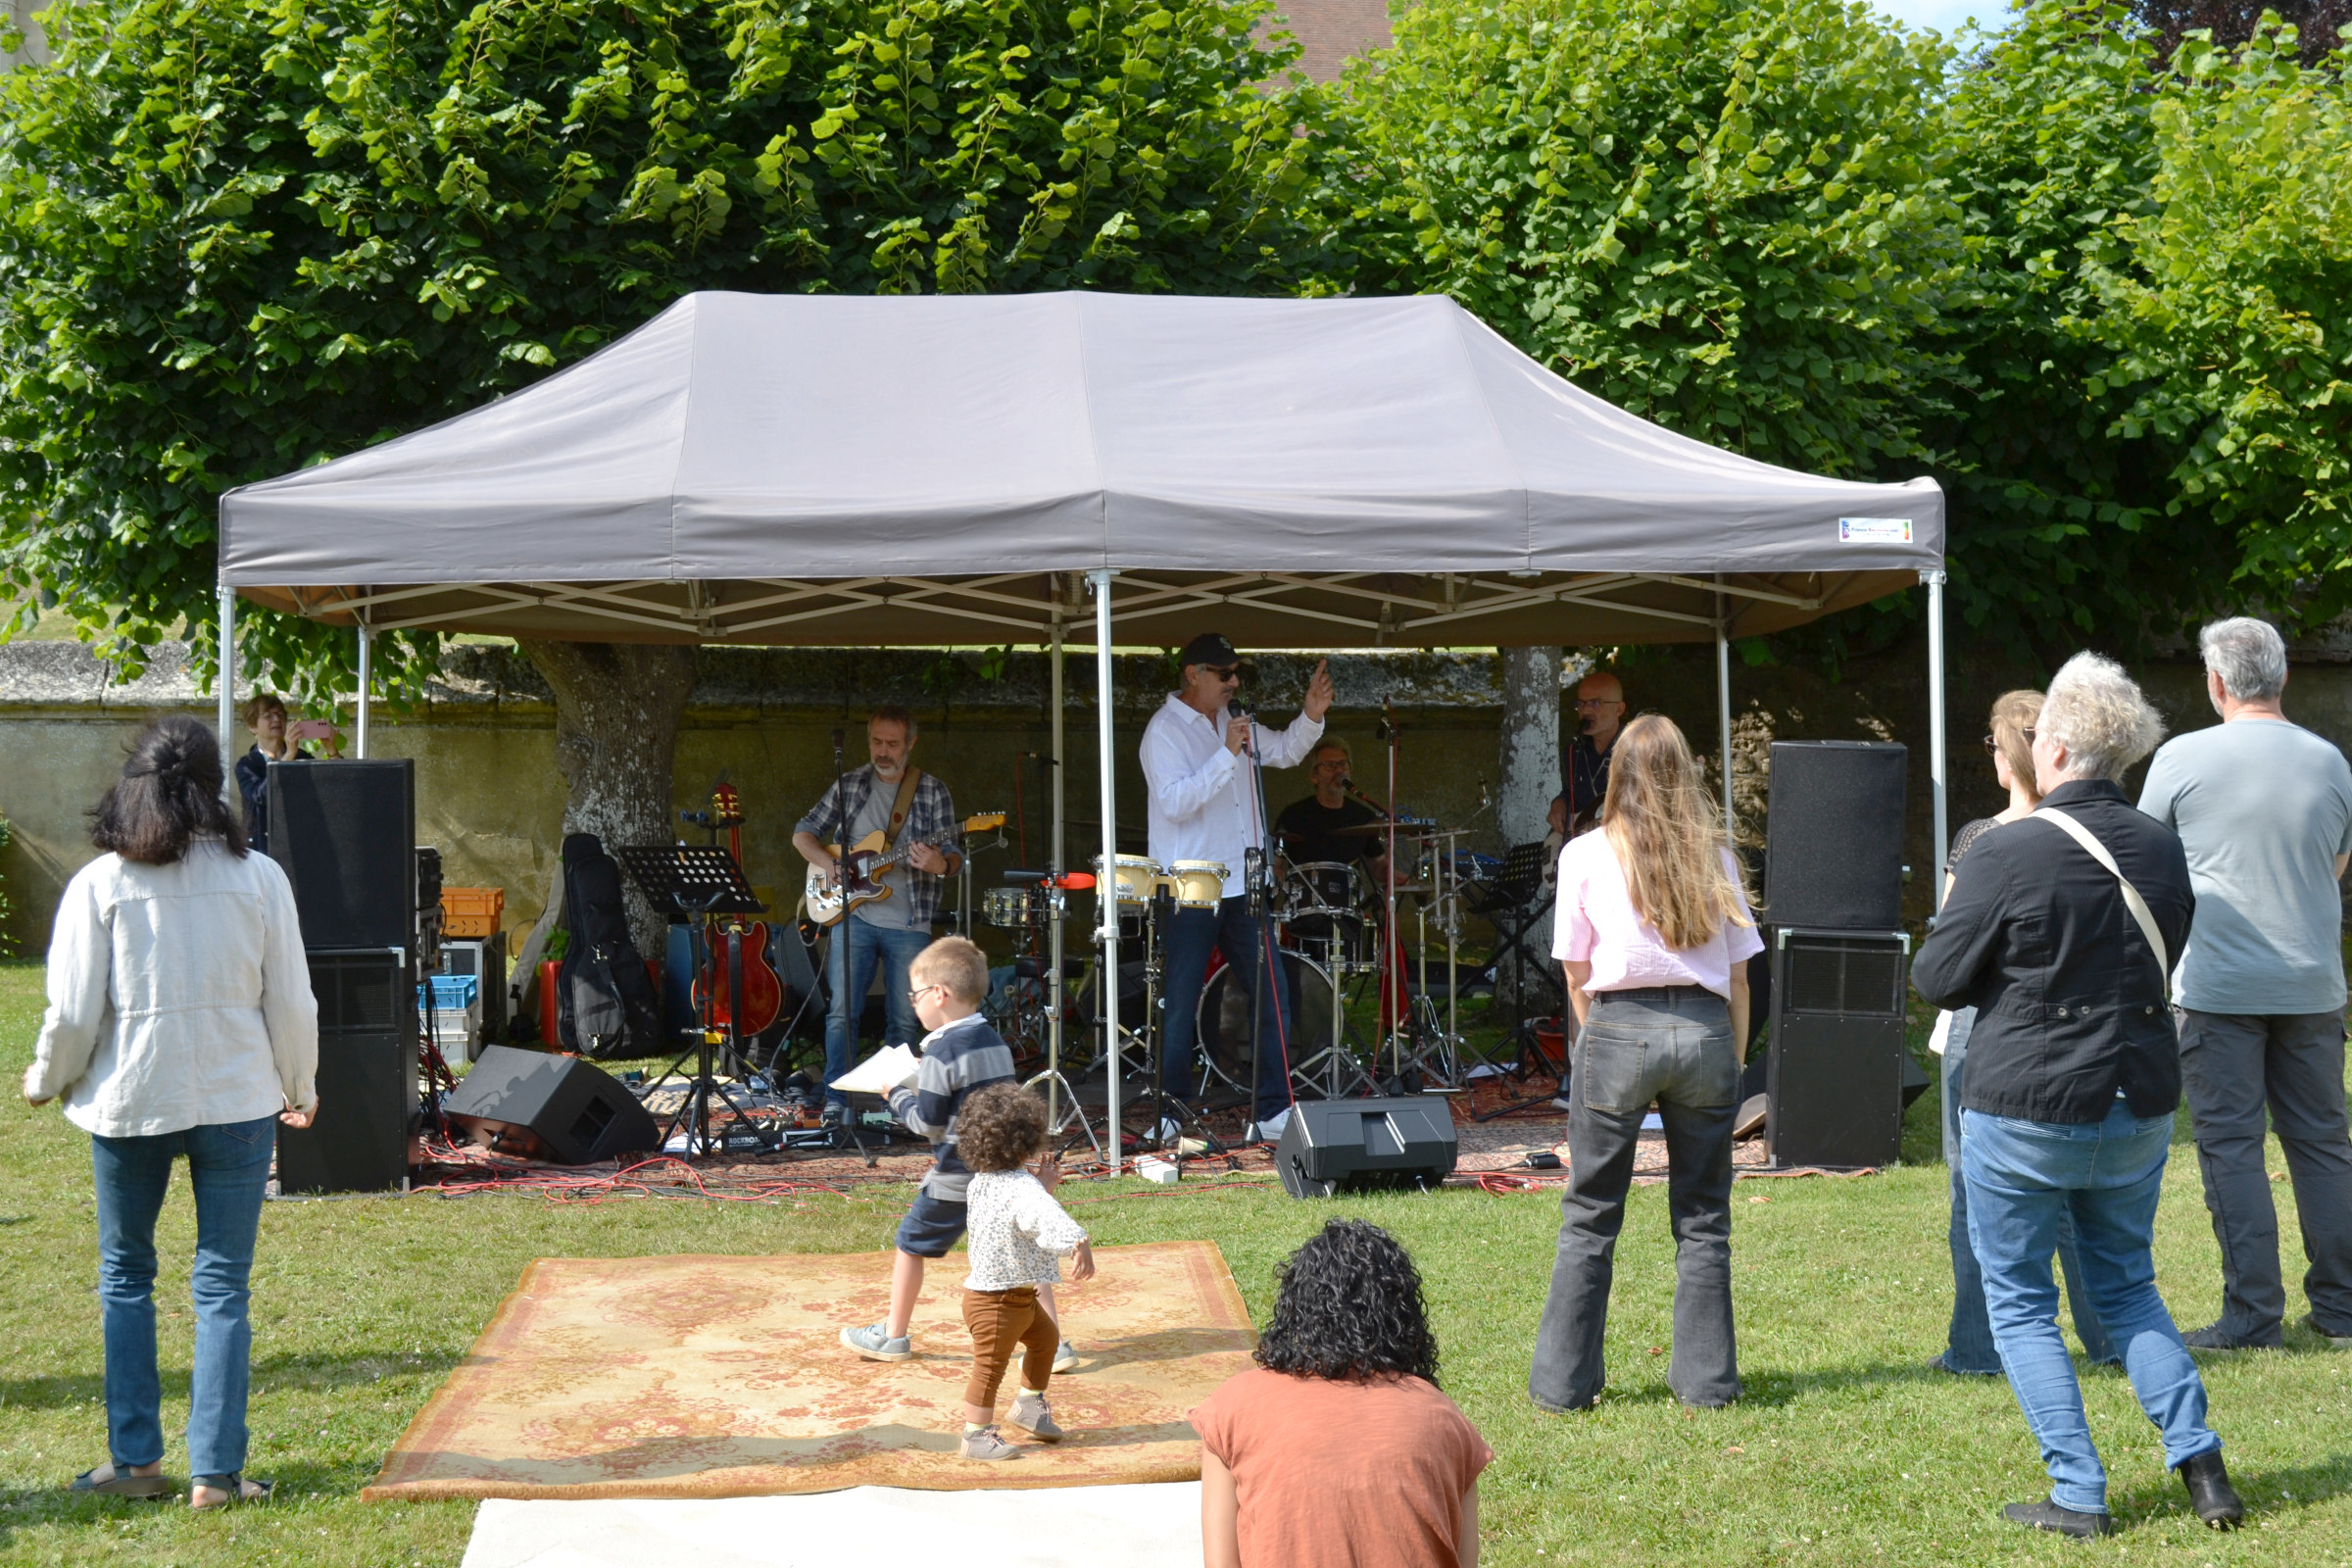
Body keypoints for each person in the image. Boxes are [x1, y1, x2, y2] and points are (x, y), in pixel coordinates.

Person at [1914, 652, 2241, 1537]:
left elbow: (1936, 977)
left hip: (2026, 1102)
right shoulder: (2161, 845)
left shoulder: (2005, 849)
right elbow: (2167, 948)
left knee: (2021, 1303)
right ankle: (2204, 1469)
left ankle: (2079, 1492)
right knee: (2130, 1287)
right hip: (2137, 1098)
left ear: (2052, 747)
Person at [24, 715, 319, 1510]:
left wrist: (45, 1079)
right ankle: (215, 1475)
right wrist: (301, 1084)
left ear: (135, 785)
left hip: (132, 1100)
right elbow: (292, 999)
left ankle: (136, 1461)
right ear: (216, 787)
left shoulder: (101, 883)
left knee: (126, 1277)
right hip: (235, 1098)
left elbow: (74, 1012)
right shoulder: (260, 877)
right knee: (222, 1286)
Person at [1532, 714, 1759, 1412]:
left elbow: (1575, 974)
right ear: (1684, 773)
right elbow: (1741, 980)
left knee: (1590, 1214)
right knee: (1704, 1217)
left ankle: (1563, 1387)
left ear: (1617, 776)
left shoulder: (1584, 854)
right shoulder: (1715, 858)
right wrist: (1733, 1062)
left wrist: (1597, 1042)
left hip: (1617, 1027)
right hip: (1705, 1031)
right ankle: (1707, 1384)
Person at [2138, 616, 2352, 1351]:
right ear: (2284, 675)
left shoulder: (2180, 758)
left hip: (2217, 987)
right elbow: (2335, 864)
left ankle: (2253, 1316)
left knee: (2232, 1148)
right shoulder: (2330, 761)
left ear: (2215, 682)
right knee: (2323, 1145)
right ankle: (2342, 1309)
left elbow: (2145, 866)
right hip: (2313, 985)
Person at [1934, 690, 2115, 1377]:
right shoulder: (2096, 833)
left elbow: (1951, 950)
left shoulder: (1983, 839)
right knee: (2075, 1187)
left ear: (2008, 754)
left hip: (1986, 1022)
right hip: (2078, 1020)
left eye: (1992, 744)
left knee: (1975, 1191)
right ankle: (2108, 1336)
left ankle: (1977, 1347)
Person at [1192, 1219, 1491, 1568]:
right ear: (1403, 1318)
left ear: (1296, 1310)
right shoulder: (1445, 1421)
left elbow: (1220, 1561)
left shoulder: (1231, 1410)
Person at [1142, 633, 1334, 1143]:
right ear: (1193, 674)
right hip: (1190, 888)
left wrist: (1311, 715)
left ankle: (1272, 1109)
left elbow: (1286, 752)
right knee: (1180, 1002)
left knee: (1272, 995)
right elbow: (1175, 803)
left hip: (1245, 884)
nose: (1233, 682)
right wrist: (1227, 754)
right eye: (1224, 673)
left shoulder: (1234, 720)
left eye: (1236, 673)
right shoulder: (1164, 731)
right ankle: (1170, 1112)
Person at [839, 936, 1017, 1362]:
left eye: (914, 995)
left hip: (956, 1176)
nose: (913, 1003)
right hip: (1003, 1173)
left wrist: (896, 1094)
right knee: (1019, 1257)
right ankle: (1055, 1344)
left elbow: (927, 1121)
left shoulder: (940, 1050)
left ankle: (893, 1336)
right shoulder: (994, 1040)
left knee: (909, 1244)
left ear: (938, 994)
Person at [794, 706, 964, 1123]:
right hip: (853, 917)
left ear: (911, 743)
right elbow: (803, 833)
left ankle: (897, 1102)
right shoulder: (850, 784)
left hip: (910, 921)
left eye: (892, 743)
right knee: (841, 1013)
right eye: (876, 742)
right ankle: (837, 1098)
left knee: (904, 1018)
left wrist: (939, 864)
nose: (883, 751)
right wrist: (829, 864)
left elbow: (955, 855)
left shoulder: (932, 791)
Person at [948, 1083, 1098, 1461]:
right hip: (998, 1304)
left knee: (1046, 1342)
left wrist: (1039, 1186)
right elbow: (1043, 1217)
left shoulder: (983, 1181)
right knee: (989, 1369)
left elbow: (1020, 1216)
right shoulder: (1022, 1189)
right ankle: (974, 1435)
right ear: (1026, 1141)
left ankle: (1029, 1405)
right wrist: (1077, 1242)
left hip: (1012, 1297)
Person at [229, 693, 313, 858]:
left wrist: (332, 751)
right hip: (262, 849)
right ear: (252, 726)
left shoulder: (301, 757)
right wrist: (287, 758)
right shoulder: (246, 764)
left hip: (299, 844)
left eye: (280, 715)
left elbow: (328, 785)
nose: (276, 720)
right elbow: (259, 795)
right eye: (268, 716)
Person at [1545, 669, 1626, 838]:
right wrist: (1560, 803)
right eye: (1580, 704)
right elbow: (1571, 792)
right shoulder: (1574, 751)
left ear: (1619, 709)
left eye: (1595, 703)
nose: (1585, 711)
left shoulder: (1635, 749)